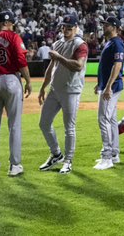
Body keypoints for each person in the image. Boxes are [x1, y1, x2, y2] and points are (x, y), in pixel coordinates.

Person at [38, 13, 88, 175]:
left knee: (69, 128)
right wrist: (43, 87)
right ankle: (56, 154)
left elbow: (78, 66)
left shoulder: (80, 44)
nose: (66, 29)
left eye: (69, 27)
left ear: (75, 28)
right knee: (44, 123)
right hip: (55, 89)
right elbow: (51, 67)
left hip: (71, 91)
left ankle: (68, 161)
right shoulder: (58, 43)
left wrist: (59, 57)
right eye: (64, 27)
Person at [0, 10, 32, 180]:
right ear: (10, 23)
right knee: (14, 126)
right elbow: (21, 60)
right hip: (11, 80)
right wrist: (28, 80)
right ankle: (14, 165)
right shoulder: (13, 37)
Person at [95, 16, 124, 170]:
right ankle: (114, 153)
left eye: (106, 25)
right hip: (108, 85)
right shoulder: (110, 43)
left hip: (111, 88)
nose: (104, 26)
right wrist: (99, 84)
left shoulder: (117, 43)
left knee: (103, 119)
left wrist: (107, 87)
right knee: (111, 120)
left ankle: (107, 157)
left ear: (114, 27)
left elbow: (117, 66)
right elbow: (106, 67)